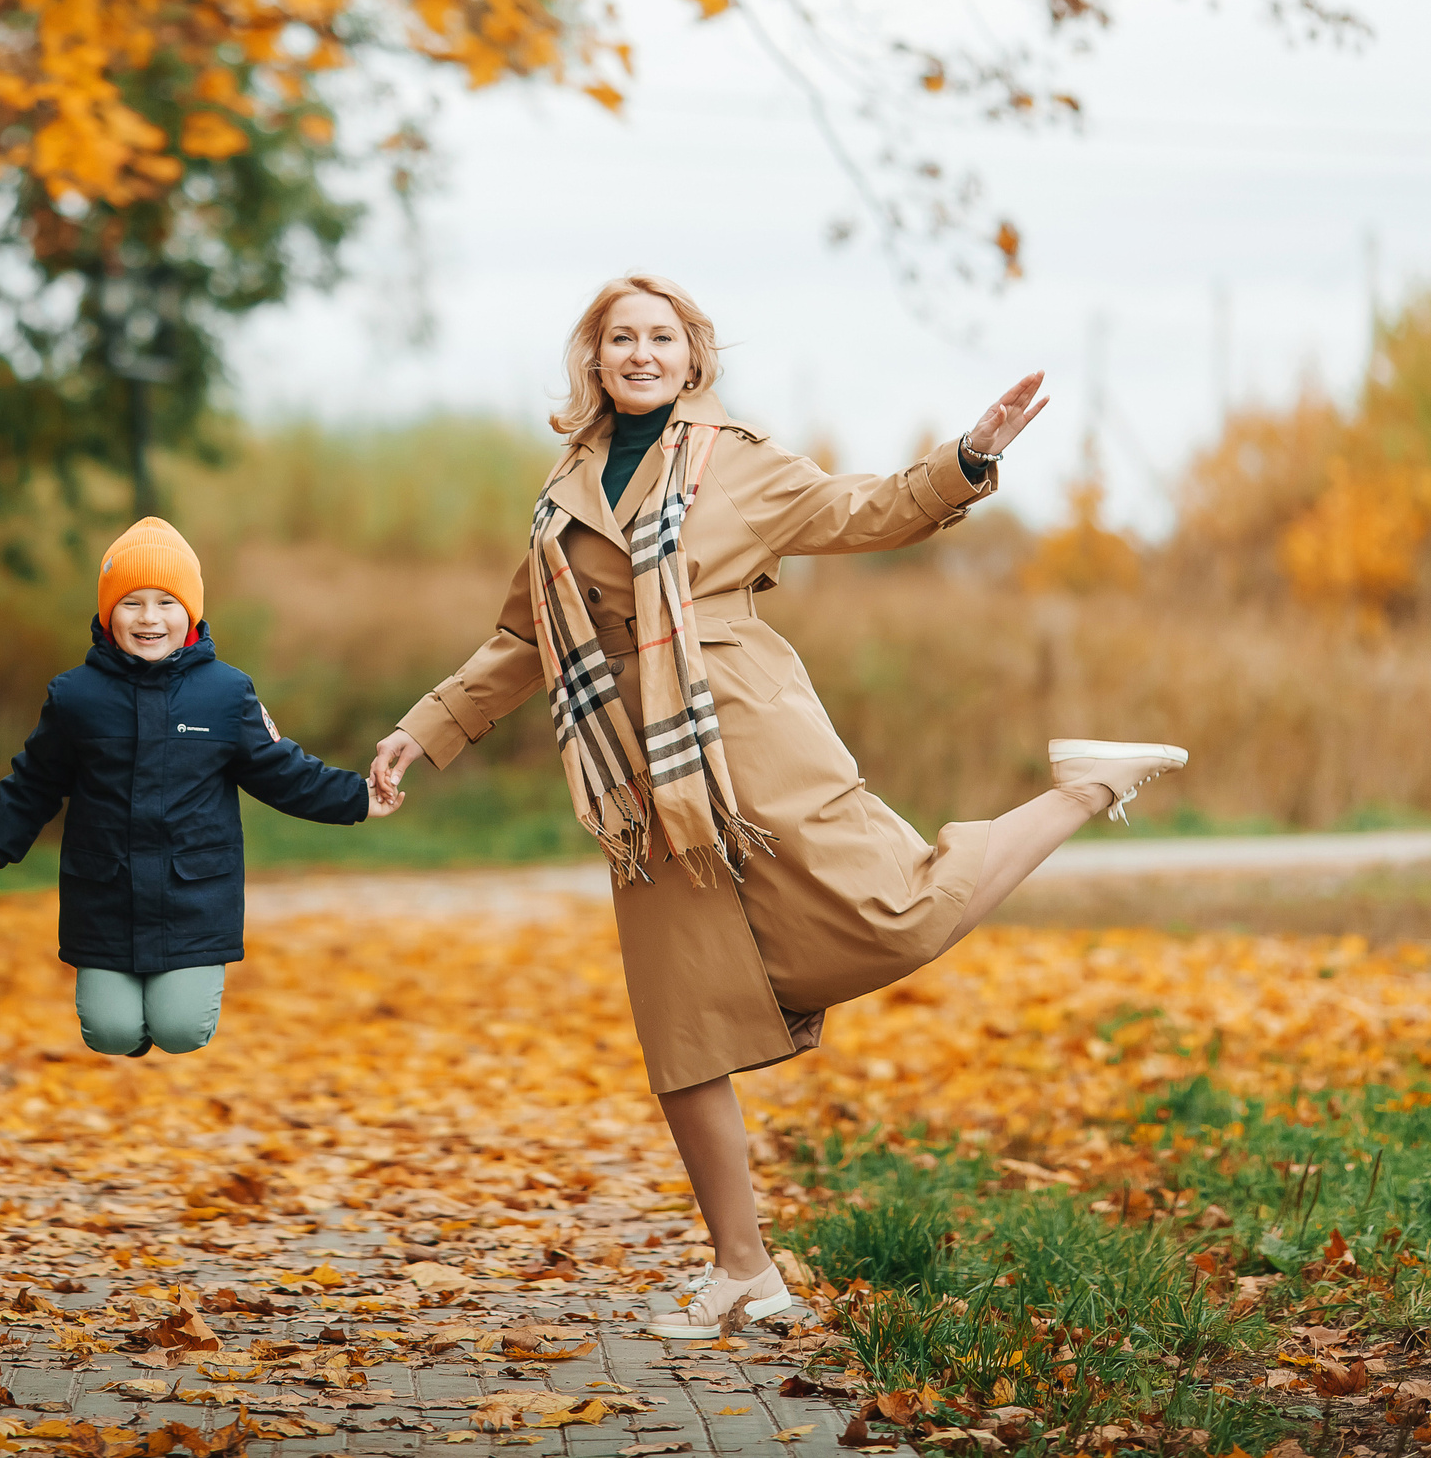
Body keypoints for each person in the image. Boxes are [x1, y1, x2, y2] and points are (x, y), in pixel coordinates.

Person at [368, 274, 1187, 1339]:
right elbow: (526, 640)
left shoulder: (736, 460)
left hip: (746, 742)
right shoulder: (564, 485)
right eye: (622, 337)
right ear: (595, 357)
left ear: (692, 357)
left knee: (896, 916)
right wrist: (423, 729)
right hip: (635, 777)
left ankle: (1083, 786)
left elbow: (865, 510)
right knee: (682, 1027)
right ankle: (742, 1269)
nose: (641, 353)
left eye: (661, 336)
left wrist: (968, 457)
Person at [0, 516, 403, 1058]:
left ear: (190, 612)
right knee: (110, 1032)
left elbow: (281, 770)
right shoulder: (75, 697)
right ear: (108, 612)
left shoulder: (225, 694)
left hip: (194, 894)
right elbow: (36, 778)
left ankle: (174, 1007)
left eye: (166, 602)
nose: (149, 618)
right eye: (132, 602)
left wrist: (357, 798)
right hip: (105, 894)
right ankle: (126, 1022)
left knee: (180, 1030)